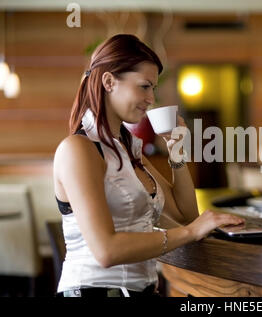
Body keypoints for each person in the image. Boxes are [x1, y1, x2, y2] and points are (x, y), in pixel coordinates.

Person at [53, 34, 244, 297]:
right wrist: (190, 232)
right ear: (109, 81)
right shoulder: (78, 149)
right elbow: (106, 251)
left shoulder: (128, 150)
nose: (151, 98)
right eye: (144, 86)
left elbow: (184, 216)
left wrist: (176, 151)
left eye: (152, 88)